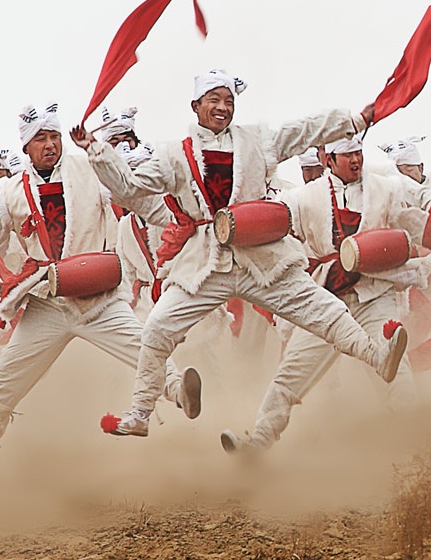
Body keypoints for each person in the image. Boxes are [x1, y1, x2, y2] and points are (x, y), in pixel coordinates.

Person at [93, 71, 410, 437]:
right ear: (195, 106)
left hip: (261, 260)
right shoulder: (173, 156)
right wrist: (97, 153)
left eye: (228, 100)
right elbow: (128, 188)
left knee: (324, 308)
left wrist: (353, 120)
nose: (222, 107)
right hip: (205, 267)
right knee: (156, 328)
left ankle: (377, 356)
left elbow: (302, 131)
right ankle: (140, 413)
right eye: (214, 100)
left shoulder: (256, 142)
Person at [0, 104, 200, 460]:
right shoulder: (11, 191)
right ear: (26, 146)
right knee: (3, 383)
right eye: (41, 138)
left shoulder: (89, 171)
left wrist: (181, 219)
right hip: (47, 304)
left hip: (98, 297)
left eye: (54, 136)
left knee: (145, 346)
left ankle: (180, 392)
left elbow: (133, 197)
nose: (50, 144)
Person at [223, 133, 431, 452]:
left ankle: (418, 454)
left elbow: (422, 201)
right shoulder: (306, 197)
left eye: (358, 152)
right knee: (290, 374)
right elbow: (272, 217)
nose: (356, 159)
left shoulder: (384, 185)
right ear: (329, 160)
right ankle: (258, 443)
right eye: (347, 155)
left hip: (373, 295)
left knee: (396, 372)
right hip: (325, 299)